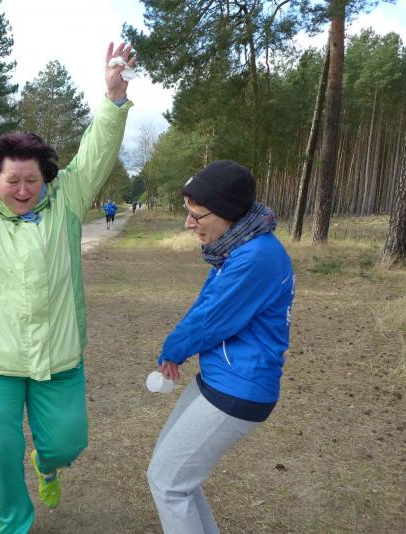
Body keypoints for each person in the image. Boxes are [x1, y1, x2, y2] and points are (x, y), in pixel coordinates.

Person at [0, 42, 135, 534]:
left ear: (47, 179)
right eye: (12, 180)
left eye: (32, 181)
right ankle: (12, 524)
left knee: (66, 443)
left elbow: (96, 155)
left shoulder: (66, 201)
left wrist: (113, 99)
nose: (22, 190)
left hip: (57, 356)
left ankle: (47, 465)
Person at [146, 160, 295, 534]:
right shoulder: (237, 248)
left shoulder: (257, 255)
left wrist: (173, 349)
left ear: (227, 212)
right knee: (173, 476)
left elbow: (212, 319)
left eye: (196, 215)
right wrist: (175, 349)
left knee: (168, 484)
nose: (188, 223)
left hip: (239, 386)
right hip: (218, 378)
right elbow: (206, 303)